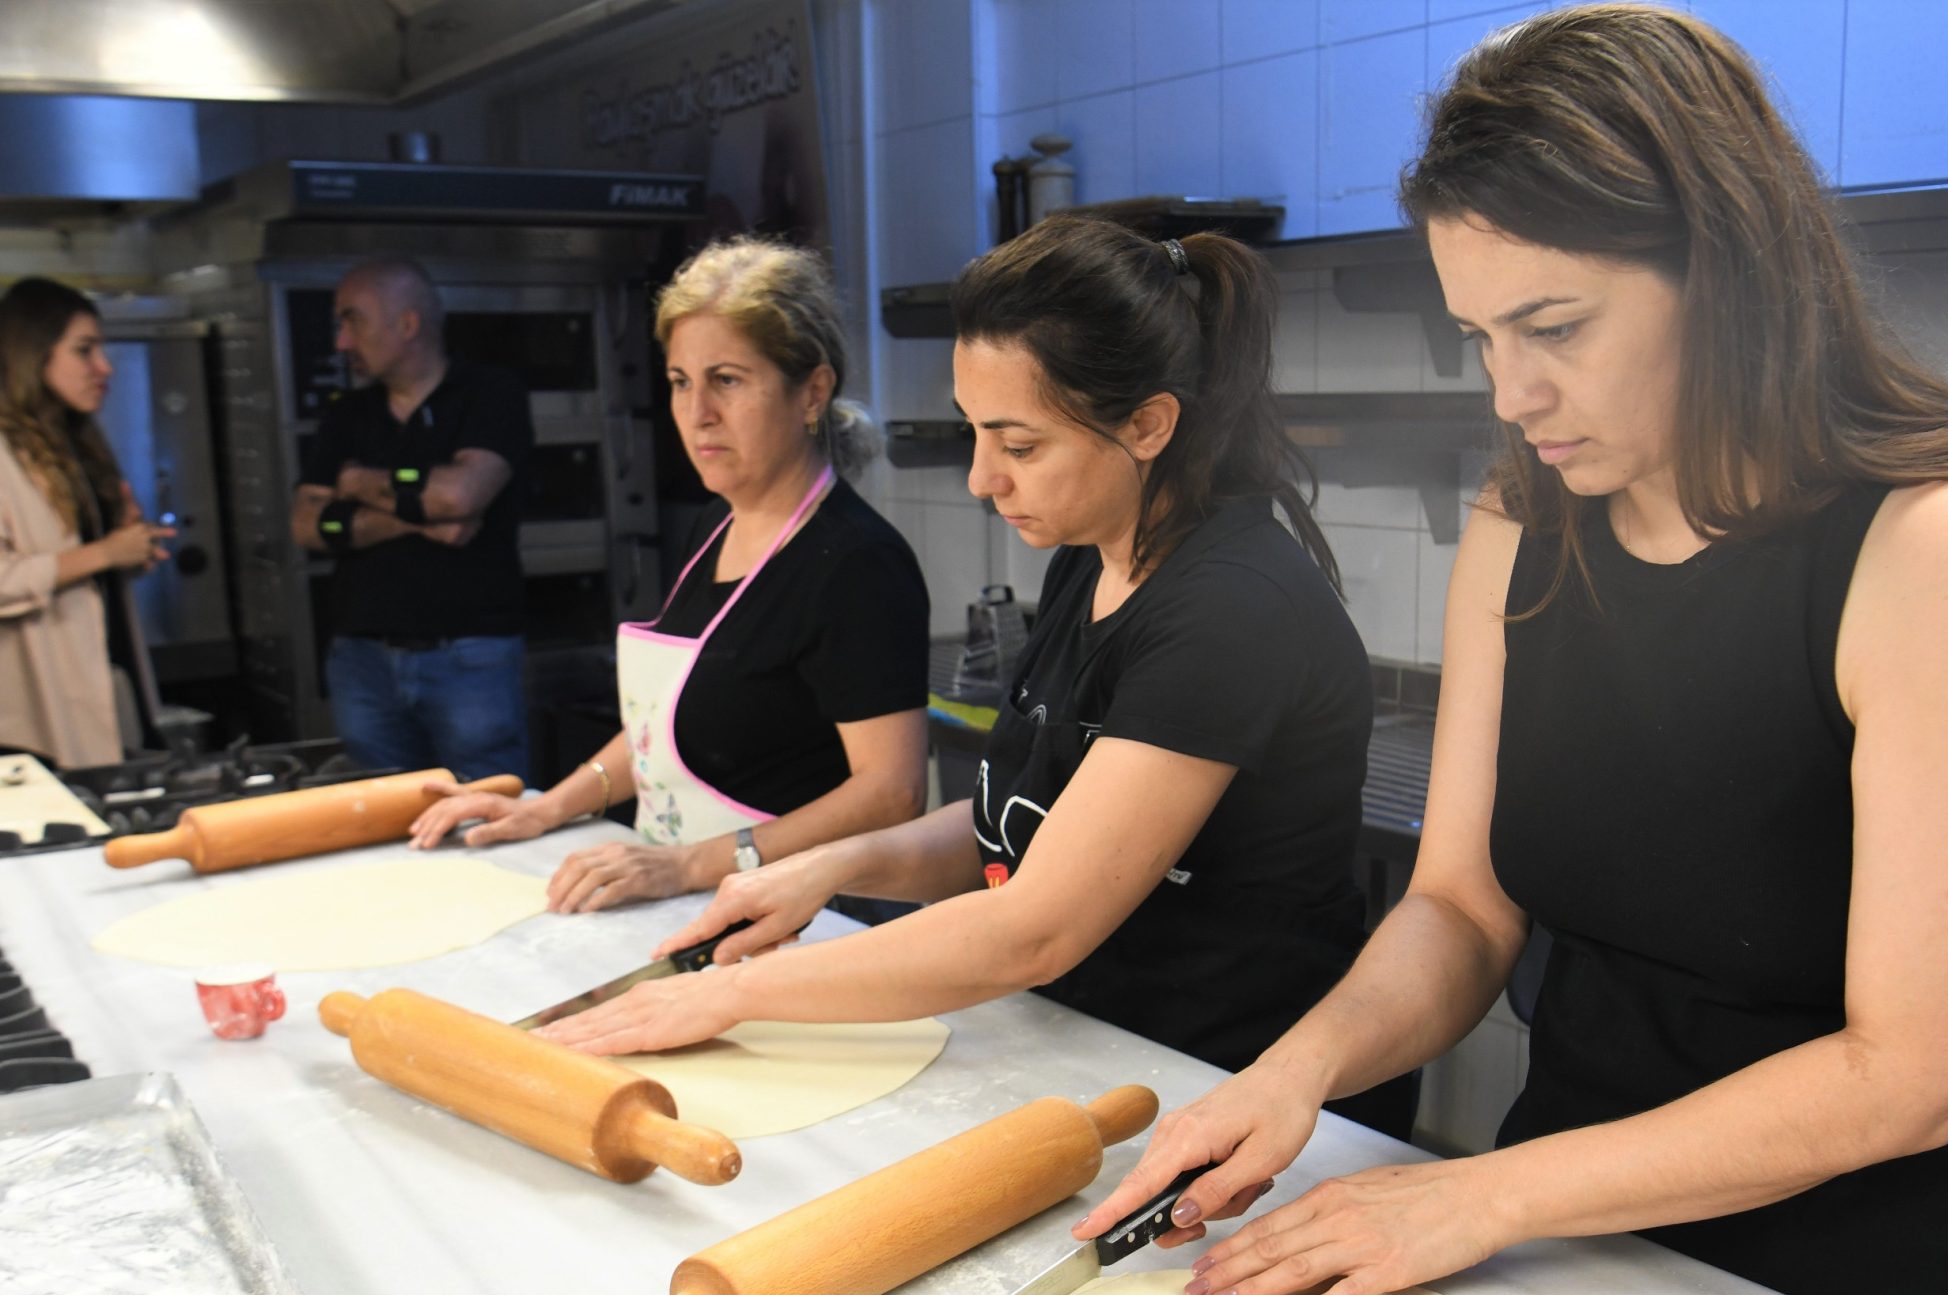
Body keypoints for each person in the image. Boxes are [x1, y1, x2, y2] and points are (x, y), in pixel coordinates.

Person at [1078, 4, 1948, 1295]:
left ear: (1729, 269)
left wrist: (1478, 1198)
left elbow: (1910, 1074)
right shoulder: (1529, 524)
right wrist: (1298, 1071)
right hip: (1602, 1252)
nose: (1516, 396)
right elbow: (1460, 906)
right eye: (1481, 338)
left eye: (1555, 327)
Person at [536, 214, 1414, 1139]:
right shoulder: (1095, 550)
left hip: (1231, 1099)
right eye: (974, 434)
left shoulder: (1231, 610)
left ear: (1150, 425)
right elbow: (1024, 818)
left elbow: (1034, 924)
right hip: (1096, 1053)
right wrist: (822, 866)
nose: (981, 479)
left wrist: (732, 997)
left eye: (1019, 445)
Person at [410, 238, 929, 915]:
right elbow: (659, 727)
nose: (697, 412)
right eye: (682, 381)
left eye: (728, 380)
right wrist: (547, 807)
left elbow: (891, 793)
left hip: (811, 918)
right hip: (694, 899)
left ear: (813, 391)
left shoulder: (858, 563)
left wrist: (690, 865)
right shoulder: (714, 526)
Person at [289, 258, 534, 781]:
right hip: (362, 661)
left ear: (407, 323)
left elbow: (460, 494)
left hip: (470, 657)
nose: (341, 343)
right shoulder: (347, 414)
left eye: (352, 321)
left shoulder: (489, 394)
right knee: (380, 821)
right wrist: (419, 517)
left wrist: (358, 487)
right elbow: (308, 525)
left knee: (487, 811)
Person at [0, 277, 173, 767]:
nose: (104, 367)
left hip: (110, 681)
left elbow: (90, 573)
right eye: (85, 351)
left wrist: (133, 549)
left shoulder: (79, 445)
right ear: (33, 354)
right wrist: (104, 553)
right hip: (34, 716)